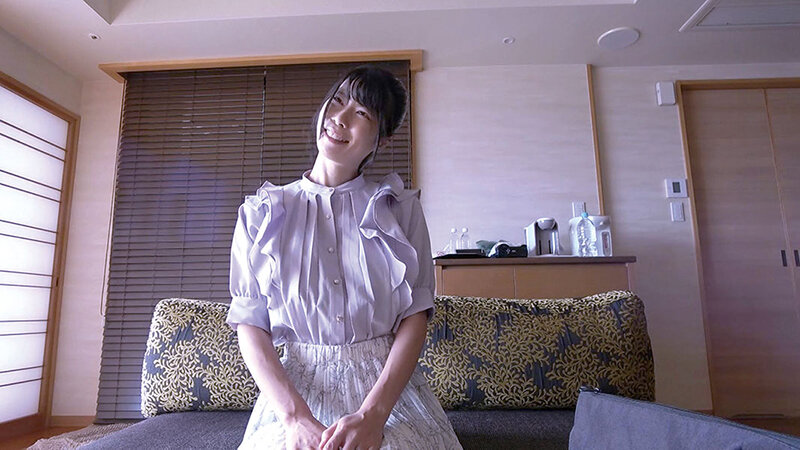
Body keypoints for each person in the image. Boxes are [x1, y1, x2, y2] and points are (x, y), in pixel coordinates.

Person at [226, 65, 463, 450]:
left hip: (388, 397)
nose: (339, 117)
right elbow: (250, 323)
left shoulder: (400, 211)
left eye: (362, 113)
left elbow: (415, 317)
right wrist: (295, 418)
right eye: (337, 101)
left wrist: (374, 415)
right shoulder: (261, 213)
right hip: (296, 396)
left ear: (382, 139)